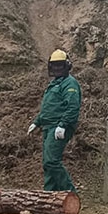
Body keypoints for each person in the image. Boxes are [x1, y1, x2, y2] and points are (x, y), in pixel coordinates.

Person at [27, 50, 82, 192]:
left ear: (67, 66)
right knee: (47, 162)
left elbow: (72, 107)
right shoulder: (54, 84)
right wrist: (37, 122)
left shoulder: (70, 83)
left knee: (52, 161)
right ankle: (50, 193)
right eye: (54, 66)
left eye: (60, 65)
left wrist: (62, 125)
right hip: (48, 126)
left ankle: (70, 193)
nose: (57, 69)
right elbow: (49, 108)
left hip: (58, 127)